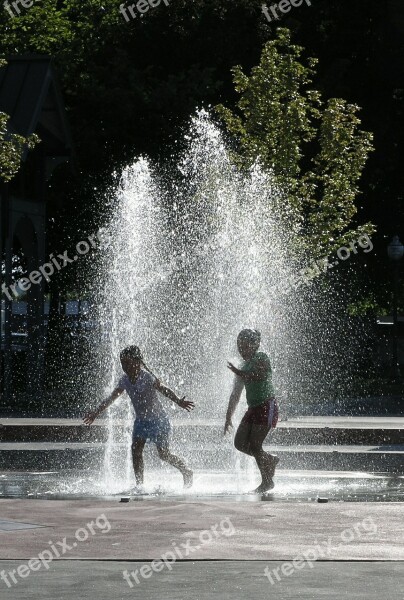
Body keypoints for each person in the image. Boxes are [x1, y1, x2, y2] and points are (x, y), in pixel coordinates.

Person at [83, 345, 194, 489]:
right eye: (123, 364)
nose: (125, 367)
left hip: (158, 421)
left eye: (128, 363)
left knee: (164, 454)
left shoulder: (147, 377)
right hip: (141, 422)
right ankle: (139, 485)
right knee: (136, 451)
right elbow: (111, 398)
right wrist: (95, 413)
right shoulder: (124, 381)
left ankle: (186, 471)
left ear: (137, 362)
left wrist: (179, 401)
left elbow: (164, 390)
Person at [224, 329, 279, 493]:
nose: (241, 349)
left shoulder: (261, 357)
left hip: (266, 405)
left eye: (245, 345)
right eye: (239, 346)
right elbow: (235, 394)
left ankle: (267, 482)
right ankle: (269, 459)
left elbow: (258, 375)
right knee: (239, 443)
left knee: (255, 445)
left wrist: (239, 372)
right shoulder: (242, 366)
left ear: (255, 344)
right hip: (253, 408)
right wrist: (228, 418)